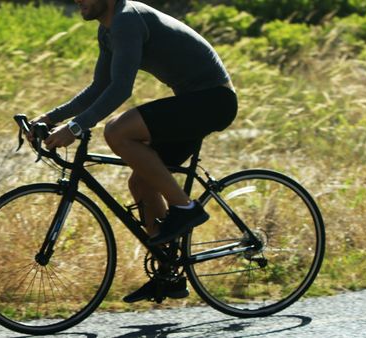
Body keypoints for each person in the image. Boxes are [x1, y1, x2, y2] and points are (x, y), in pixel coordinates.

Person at [30, 0, 238, 303]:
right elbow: (100, 87)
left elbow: (121, 89)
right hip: (195, 102)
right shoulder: (108, 30)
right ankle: (168, 274)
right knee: (141, 182)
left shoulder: (127, 19)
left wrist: (75, 128)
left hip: (211, 101)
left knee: (116, 131)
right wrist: (50, 118)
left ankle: (185, 208)